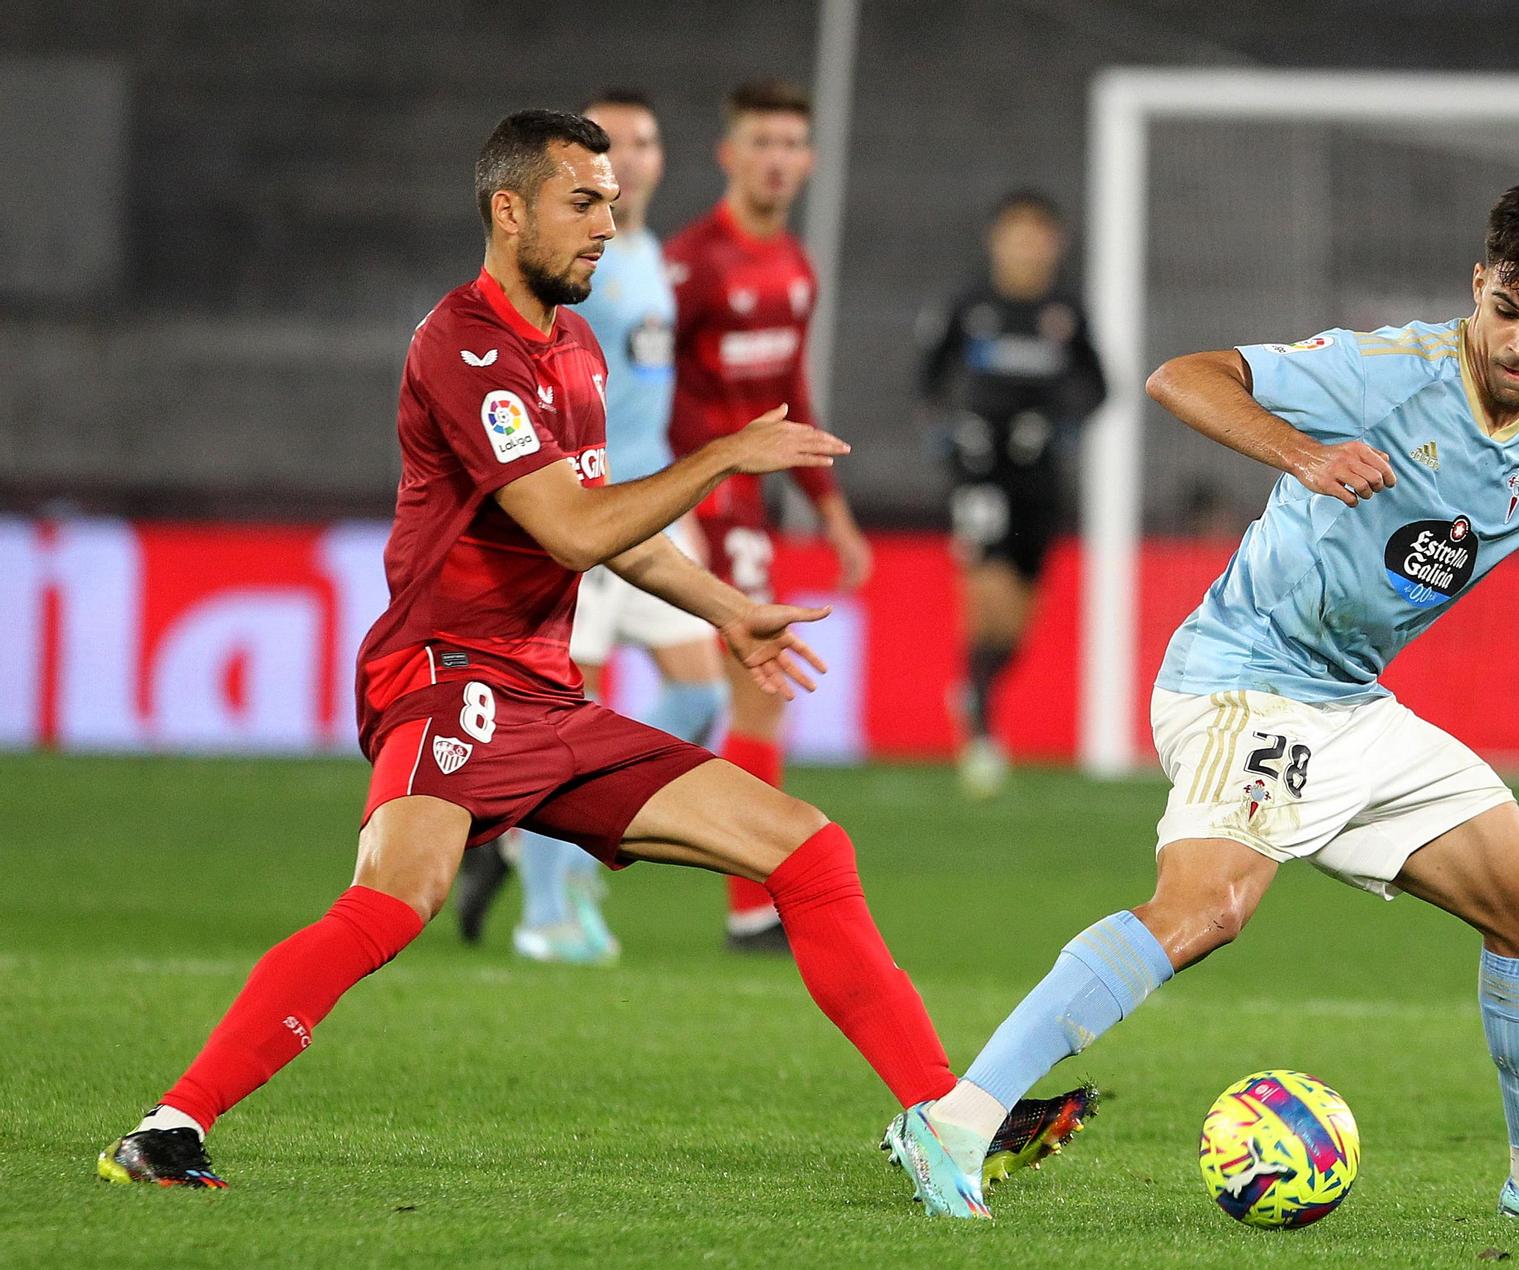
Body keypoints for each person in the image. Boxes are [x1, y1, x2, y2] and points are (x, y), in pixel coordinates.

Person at [97, 109, 1091, 1203]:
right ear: (507, 207)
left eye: (612, 201)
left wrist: (728, 607)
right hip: (448, 676)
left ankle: (941, 1115)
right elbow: (569, 527)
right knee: (396, 895)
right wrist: (722, 455)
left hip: (546, 693)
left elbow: (611, 523)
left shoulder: (571, 348)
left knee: (807, 848)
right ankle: (169, 1123)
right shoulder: (458, 346)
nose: (608, 225)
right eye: (584, 200)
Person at [886, 178, 1519, 1225]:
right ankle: (949, 1122)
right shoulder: (1379, 371)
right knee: (1205, 909)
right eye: (1507, 310)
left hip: (1349, 703)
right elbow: (1181, 378)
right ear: (1477, 283)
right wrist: (1301, 452)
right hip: (1242, 680)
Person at [458, 88, 733, 965]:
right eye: (616, 143)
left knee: (702, 694)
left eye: (647, 143)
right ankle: (548, 911)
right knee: (556, 719)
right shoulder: (576, 261)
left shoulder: (647, 254)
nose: (635, 156)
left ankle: (550, 832)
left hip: (645, 505)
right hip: (586, 504)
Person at [664, 78, 872, 953]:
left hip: (751, 504)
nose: (779, 159)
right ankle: (752, 907)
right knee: (753, 688)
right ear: (730, 154)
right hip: (690, 497)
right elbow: (649, 387)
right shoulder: (690, 265)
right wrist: (688, 489)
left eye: (793, 143)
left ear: (809, 160)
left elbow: (790, 391)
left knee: (738, 694)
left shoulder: (793, 266)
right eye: (763, 142)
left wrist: (832, 511)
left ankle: (528, 843)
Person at [917, 190, 1106, 797]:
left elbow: (1099, 385)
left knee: (1019, 625)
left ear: (1055, 245)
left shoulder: (1065, 311)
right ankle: (980, 733)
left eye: (1038, 235)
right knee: (987, 595)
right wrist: (950, 434)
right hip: (981, 474)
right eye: (1016, 234)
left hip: (1040, 476)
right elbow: (927, 378)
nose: (1027, 247)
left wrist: (1061, 426)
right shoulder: (969, 305)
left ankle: (978, 685)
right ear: (996, 239)